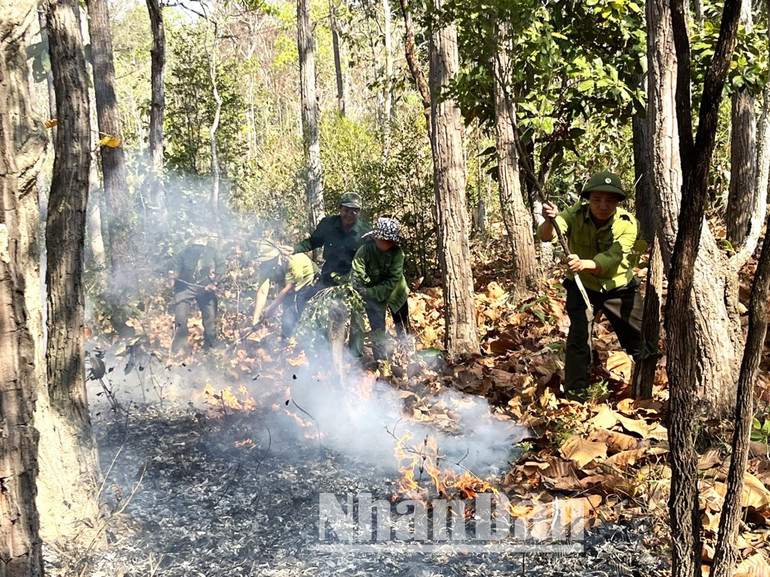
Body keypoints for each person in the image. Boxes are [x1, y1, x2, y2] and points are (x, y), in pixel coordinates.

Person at [538, 171, 643, 399]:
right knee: (578, 340)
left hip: (619, 287)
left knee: (639, 340)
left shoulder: (628, 224)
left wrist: (584, 263)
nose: (603, 206)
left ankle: (646, 388)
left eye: (610, 200)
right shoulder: (574, 214)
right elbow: (547, 236)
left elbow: (615, 256)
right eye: (597, 199)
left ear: (618, 202)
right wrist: (549, 220)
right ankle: (576, 396)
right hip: (581, 286)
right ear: (588, 199)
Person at [350, 216, 410, 360]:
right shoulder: (364, 251)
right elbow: (357, 272)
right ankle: (381, 361)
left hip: (396, 293)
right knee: (377, 329)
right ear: (377, 238)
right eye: (386, 240)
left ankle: (407, 355)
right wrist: (360, 288)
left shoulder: (397, 253)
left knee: (402, 325)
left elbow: (392, 281)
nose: (390, 243)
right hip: (371, 298)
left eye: (392, 241)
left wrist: (370, 291)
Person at [288, 192, 370, 286]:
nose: (350, 214)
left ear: (359, 212)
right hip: (329, 275)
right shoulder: (328, 224)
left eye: (354, 211)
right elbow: (313, 241)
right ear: (340, 209)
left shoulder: (364, 232)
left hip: (352, 278)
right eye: (346, 210)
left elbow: (369, 259)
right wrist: (294, 248)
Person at [170, 231, 226, 352]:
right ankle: (179, 348)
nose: (198, 249)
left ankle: (210, 349)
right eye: (196, 246)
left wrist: (214, 283)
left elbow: (221, 266)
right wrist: (173, 277)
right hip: (185, 285)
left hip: (205, 285)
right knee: (180, 317)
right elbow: (175, 267)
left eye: (201, 247)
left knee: (210, 317)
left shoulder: (213, 250)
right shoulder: (183, 250)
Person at [253, 240, 319, 338]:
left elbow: (289, 288)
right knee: (287, 316)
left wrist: (271, 307)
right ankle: (286, 340)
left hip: (307, 283)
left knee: (294, 313)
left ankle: (297, 340)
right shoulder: (265, 267)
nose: (267, 264)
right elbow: (262, 291)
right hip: (290, 285)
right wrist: (255, 319)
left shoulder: (293, 259)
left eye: (268, 260)